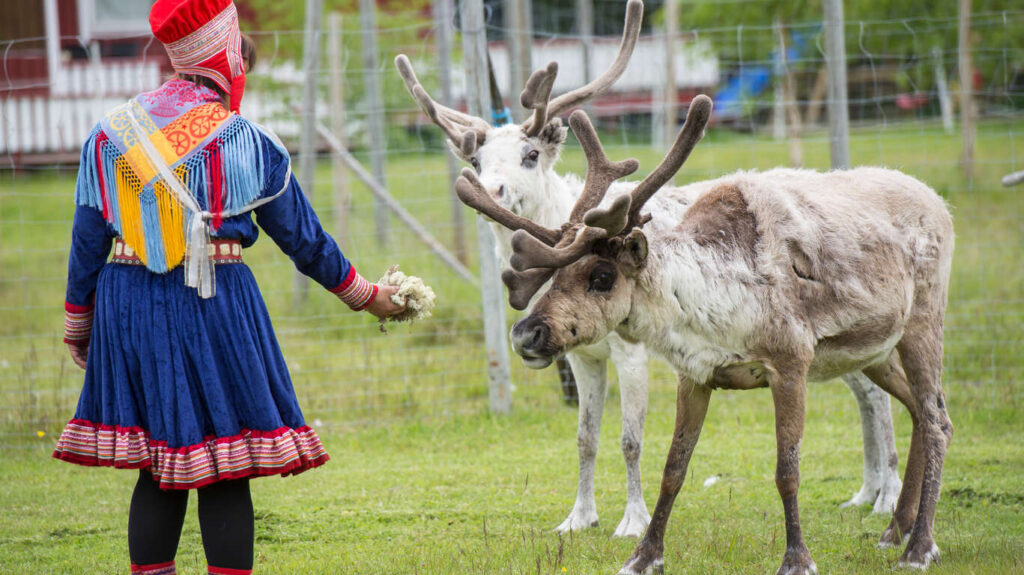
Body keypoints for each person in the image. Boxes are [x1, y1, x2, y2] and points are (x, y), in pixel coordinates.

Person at [52, 1, 405, 573]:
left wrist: (80, 323)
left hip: (127, 304)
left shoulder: (108, 136)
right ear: (226, 54)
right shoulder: (246, 141)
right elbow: (304, 240)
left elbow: (86, 241)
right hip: (213, 299)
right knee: (225, 457)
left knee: (157, 465)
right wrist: (366, 295)